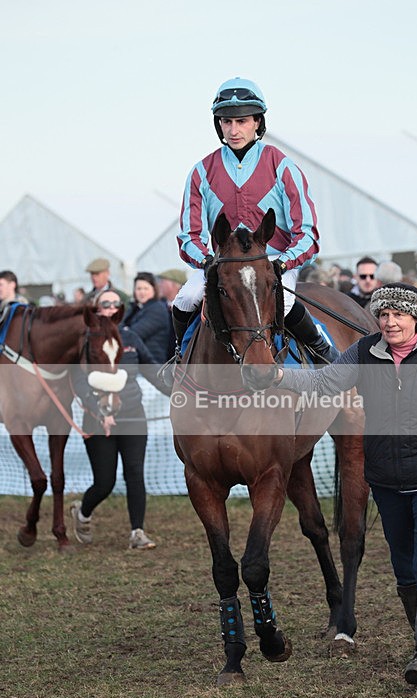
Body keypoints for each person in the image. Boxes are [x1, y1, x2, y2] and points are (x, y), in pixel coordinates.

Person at [247, 283, 417, 689]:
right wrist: (277, 374)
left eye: (398, 315)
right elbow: (322, 384)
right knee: (403, 569)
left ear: (416, 317)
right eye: (383, 315)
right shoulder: (363, 353)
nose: (389, 322)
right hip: (386, 480)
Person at [173, 77, 336, 365]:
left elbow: (308, 233)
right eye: (226, 121)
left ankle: (327, 356)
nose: (234, 129)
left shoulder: (282, 165)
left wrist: (284, 263)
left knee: (284, 304)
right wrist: (207, 262)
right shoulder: (200, 172)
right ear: (218, 124)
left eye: (242, 121)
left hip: (273, 261)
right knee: (186, 298)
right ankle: (180, 358)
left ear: (258, 123)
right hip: (223, 264)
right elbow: (189, 236)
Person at [70, 289, 171, 550]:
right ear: (97, 309)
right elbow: (79, 381)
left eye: (116, 304)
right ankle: (82, 513)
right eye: (106, 304)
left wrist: (178, 394)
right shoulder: (86, 340)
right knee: (105, 482)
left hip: (133, 417)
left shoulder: (131, 337)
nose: (112, 308)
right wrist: (98, 410)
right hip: (98, 419)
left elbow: (151, 370)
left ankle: (137, 532)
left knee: (135, 474)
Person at [122, 272, 172, 364]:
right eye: (139, 288)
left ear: (154, 289)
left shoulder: (158, 309)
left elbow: (133, 334)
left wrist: (125, 330)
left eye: (146, 288)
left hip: (152, 365)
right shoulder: (134, 308)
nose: (142, 292)